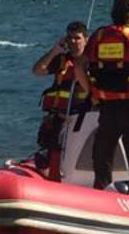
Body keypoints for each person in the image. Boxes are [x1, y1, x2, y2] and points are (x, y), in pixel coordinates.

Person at [75, 0, 129, 191]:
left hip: (107, 105)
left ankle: (101, 188)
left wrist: (90, 92)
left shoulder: (99, 35)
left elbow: (79, 67)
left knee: (103, 152)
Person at [31, 21, 91, 181]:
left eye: (77, 38)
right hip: (59, 116)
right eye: (70, 38)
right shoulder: (62, 60)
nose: (73, 42)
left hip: (83, 116)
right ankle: (49, 172)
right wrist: (54, 51)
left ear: (86, 39)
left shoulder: (92, 62)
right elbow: (38, 70)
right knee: (49, 142)